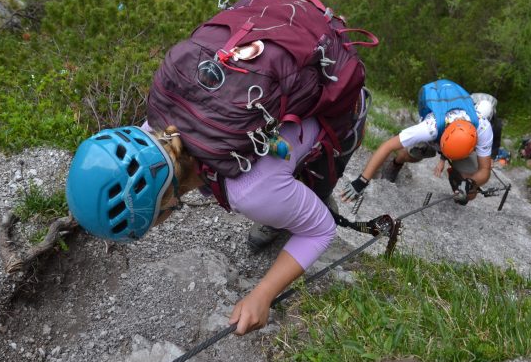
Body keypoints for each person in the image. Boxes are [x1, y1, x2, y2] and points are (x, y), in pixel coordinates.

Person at [65, 92, 366, 337]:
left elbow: (322, 230)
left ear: (162, 207)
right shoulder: (154, 129)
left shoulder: (249, 191)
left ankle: (303, 203)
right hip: (293, 102)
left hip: (345, 106)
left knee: (319, 186)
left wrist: (263, 294)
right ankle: (286, 203)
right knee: (279, 187)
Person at [341, 79, 494, 205]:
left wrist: (470, 182)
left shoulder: (483, 127)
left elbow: (485, 170)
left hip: (456, 142)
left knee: (471, 194)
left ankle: (457, 179)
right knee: (412, 155)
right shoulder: (429, 128)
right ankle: (396, 163)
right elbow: (387, 146)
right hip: (434, 136)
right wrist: (361, 181)